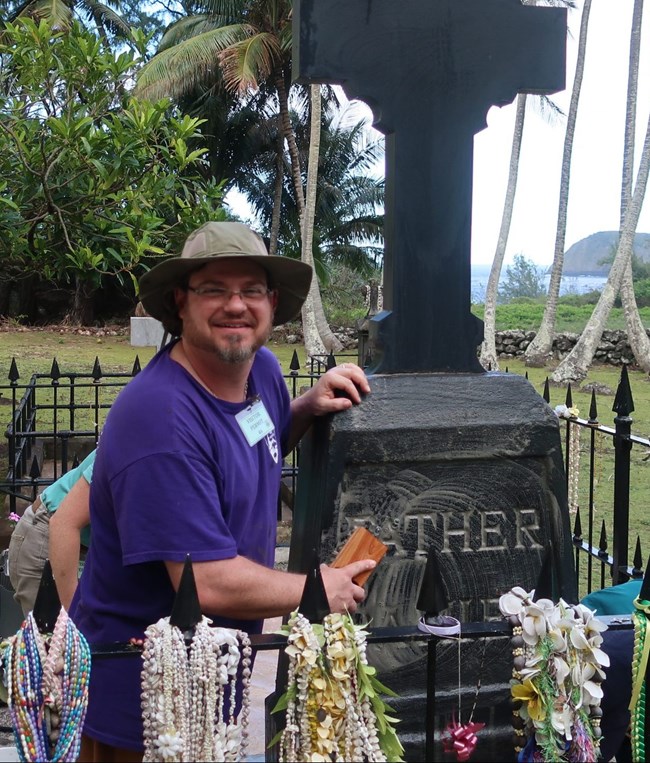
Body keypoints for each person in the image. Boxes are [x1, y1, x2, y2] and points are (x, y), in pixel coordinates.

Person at [69, 220, 375, 762]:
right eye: (214, 289)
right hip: (145, 704)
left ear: (272, 301)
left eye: (251, 290)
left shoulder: (260, 371)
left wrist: (305, 407)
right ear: (180, 303)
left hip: (214, 682)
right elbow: (204, 581)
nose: (236, 305)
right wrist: (315, 588)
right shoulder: (160, 418)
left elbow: (247, 444)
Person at [8, 450, 94, 615]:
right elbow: (63, 523)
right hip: (46, 536)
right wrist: (72, 623)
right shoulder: (131, 448)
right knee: (55, 638)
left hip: (85, 546)